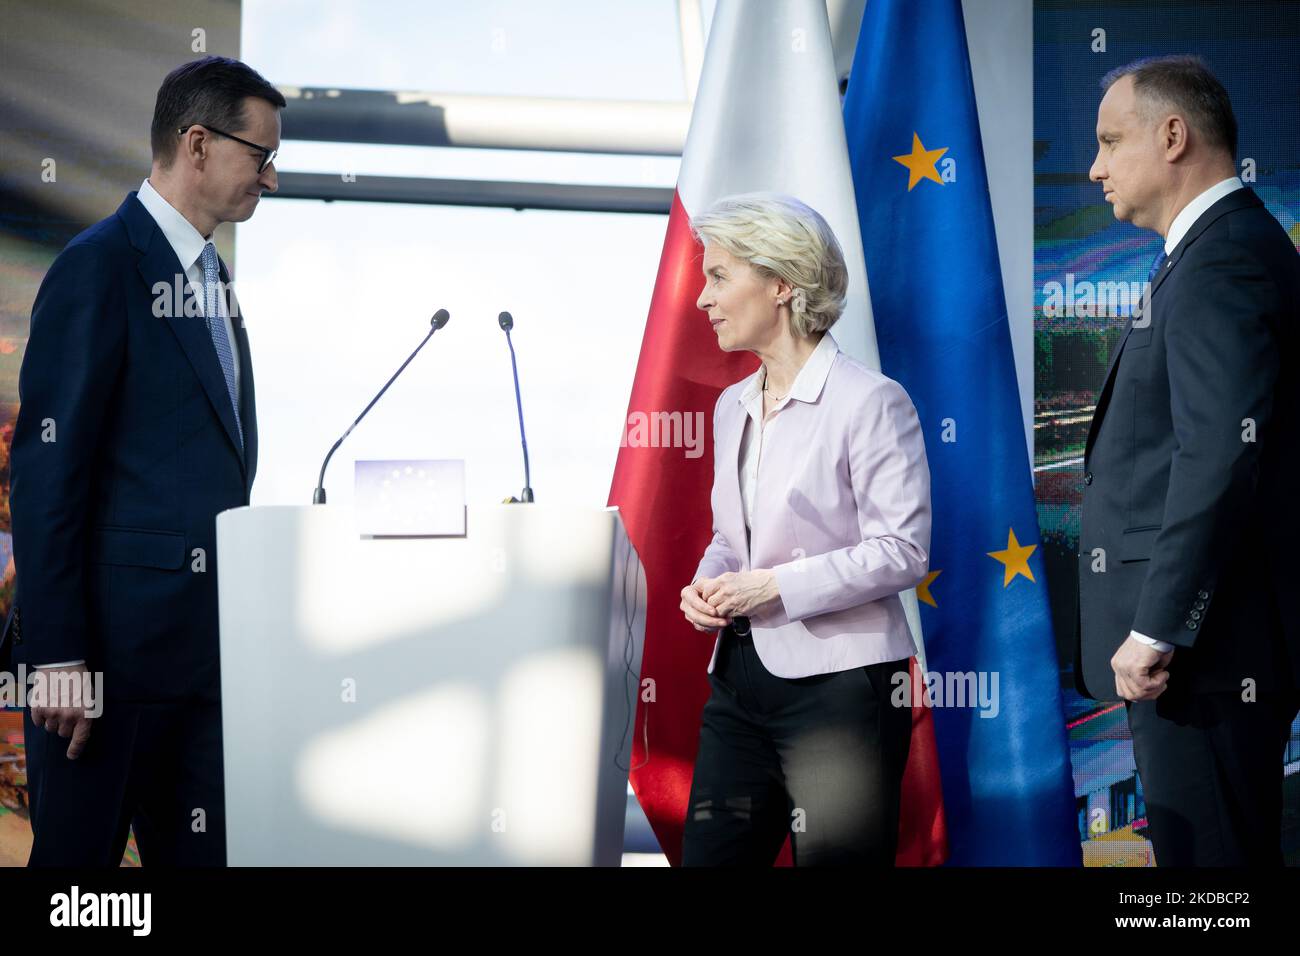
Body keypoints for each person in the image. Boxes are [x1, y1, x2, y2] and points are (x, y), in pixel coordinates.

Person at [2, 55, 283, 866]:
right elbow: (47, 473)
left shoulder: (215, 284)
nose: (270, 179)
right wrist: (55, 654)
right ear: (197, 143)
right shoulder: (99, 266)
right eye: (259, 157)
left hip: (202, 673)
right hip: (101, 678)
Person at [1077, 55, 1300, 865]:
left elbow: (1217, 456)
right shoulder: (1213, 251)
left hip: (1203, 662)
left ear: (1173, 136)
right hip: (1207, 658)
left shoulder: (1223, 258)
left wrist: (1159, 626)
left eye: (1109, 141)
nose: (1095, 168)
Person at [678, 193, 931, 866]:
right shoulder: (732, 406)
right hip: (738, 682)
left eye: (719, 276)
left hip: (841, 692)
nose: (703, 298)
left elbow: (902, 551)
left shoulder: (871, 401)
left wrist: (773, 588)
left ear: (782, 284)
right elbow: (733, 540)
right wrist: (707, 584)